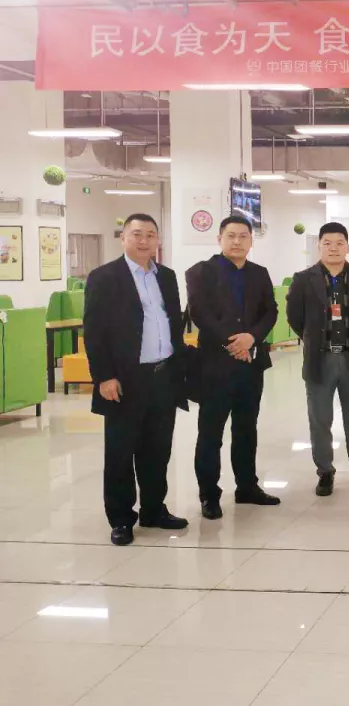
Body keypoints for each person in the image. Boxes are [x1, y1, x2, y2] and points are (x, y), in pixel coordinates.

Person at [84, 213, 189, 546]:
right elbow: (94, 332)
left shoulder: (167, 276)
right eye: (137, 234)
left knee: (157, 450)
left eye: (150, 235)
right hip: (125, 380)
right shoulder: (104, 277)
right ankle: (121, 518)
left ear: (158, 239)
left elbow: (173, 323)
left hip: (163, 375)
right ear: (123, 238)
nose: (144, 241)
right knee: (120, 451)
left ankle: (154, 510)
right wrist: (104, 377)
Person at [186, 216, 280, 520]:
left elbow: (270, 311)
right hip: (215, 366)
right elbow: (200, 314)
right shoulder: (200, 272)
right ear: (219, 239)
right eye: (231, 236)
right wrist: (234, 343)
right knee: (210, 433)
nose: (237, 241)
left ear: (251, 240)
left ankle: (247, 487)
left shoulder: (259, 273)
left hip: (251, 366)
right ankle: (209, 495)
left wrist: (251, 338)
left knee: (246, 429)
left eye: (243, 236)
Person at [286, 223, 349, 497]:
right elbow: (295, 317)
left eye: (340, 243)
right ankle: (325, 472)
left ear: (348, 247)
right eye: (327, 243)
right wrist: (315, 339)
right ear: (319, 246)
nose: (334, 248)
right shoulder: (303, 279)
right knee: (320, 420)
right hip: (321, 359)